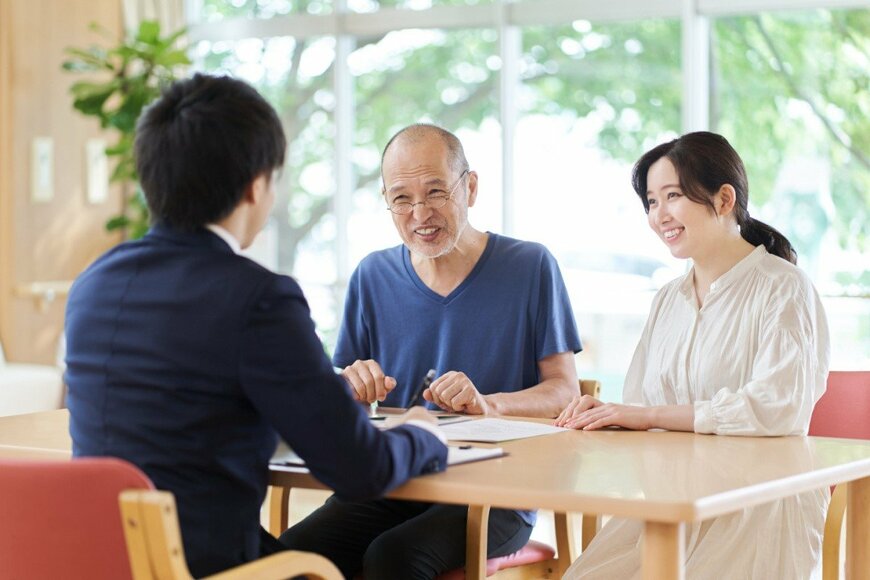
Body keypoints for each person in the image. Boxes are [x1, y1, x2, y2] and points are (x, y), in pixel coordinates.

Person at [64, 74, 448, 578]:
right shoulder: (258, 298)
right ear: (256, 184)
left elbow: (184, 407)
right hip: (206, 567)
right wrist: (422, 433)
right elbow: (360, 468)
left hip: (103, 561)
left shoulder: (92, 285)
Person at [279, 123, 583, 578]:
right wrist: (350, 388)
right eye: (401, 198)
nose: (420, 213)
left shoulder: (530, 266)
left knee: (394, 557)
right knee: (294, 556)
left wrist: (488, 404)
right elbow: (344, 409)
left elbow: (565, 391)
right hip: (397, 478)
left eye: (436, 192)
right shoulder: (372, 275)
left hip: (497, 494)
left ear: (471, 188)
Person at [555, 131, 830, 579]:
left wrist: (647, 416)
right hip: (672, 498)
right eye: (650, 202)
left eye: (673, 196)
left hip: (756, 504)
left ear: (724, 200)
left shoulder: (783, 287)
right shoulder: (667, 299)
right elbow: (641, 403)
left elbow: (778, 408)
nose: (659, 214)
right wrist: (608, 417)